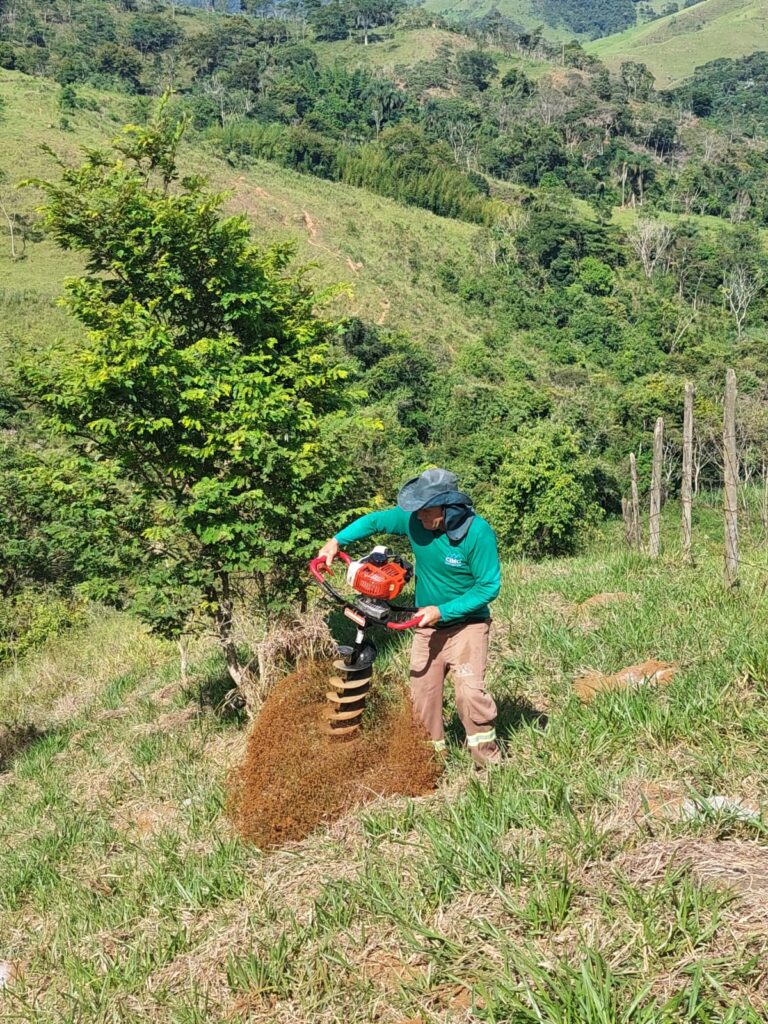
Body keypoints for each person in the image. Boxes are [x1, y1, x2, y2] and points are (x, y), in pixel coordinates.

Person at [317, 468, 502, 766]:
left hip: (468, 626)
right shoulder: (415, 520)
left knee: (469, 695)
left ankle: (488, 764)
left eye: (426, 509)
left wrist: (442, 610)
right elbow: (375, 521)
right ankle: (429, 764)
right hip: (426, 627)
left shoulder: (477, 533)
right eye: (417, 509)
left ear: (448, 506)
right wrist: (336, 541)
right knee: (422, 697)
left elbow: (488, 586)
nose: (419, 515)